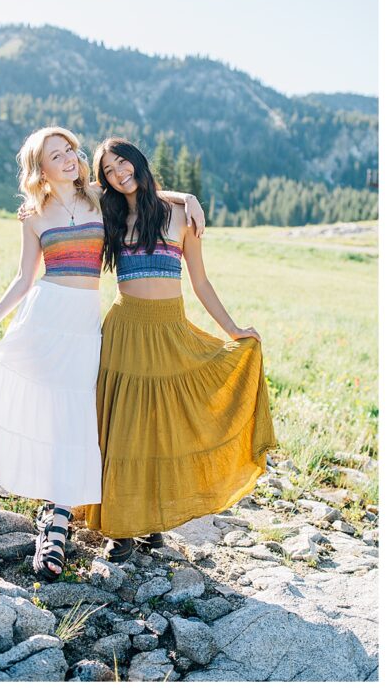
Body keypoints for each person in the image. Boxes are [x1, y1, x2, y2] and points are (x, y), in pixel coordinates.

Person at [0, 126, 204, 580]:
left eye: (70, 149)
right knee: (50, 414)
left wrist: (188, 197)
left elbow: (137, 187)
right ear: (40, 168)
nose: (69, 158)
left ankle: (62, 516)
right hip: (45, 317)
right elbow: (24, 277)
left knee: (77, 416)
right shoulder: (33, 214)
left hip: (86, 324)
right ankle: (54, 525)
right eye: (56, 154)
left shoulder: (96, 198)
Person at [84, 138, 275, 562]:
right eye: (109, 171)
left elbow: (201, 283)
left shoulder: (179, 218)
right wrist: (182, 192)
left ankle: (150, 521)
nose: (118, 174)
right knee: (122, 431)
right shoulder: (110, 214)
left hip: (169, 330)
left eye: (122, 164)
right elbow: (78, 190)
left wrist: (234, 329)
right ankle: (121, 527)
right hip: (125, 330)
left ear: (138, 161)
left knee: (160, 426)